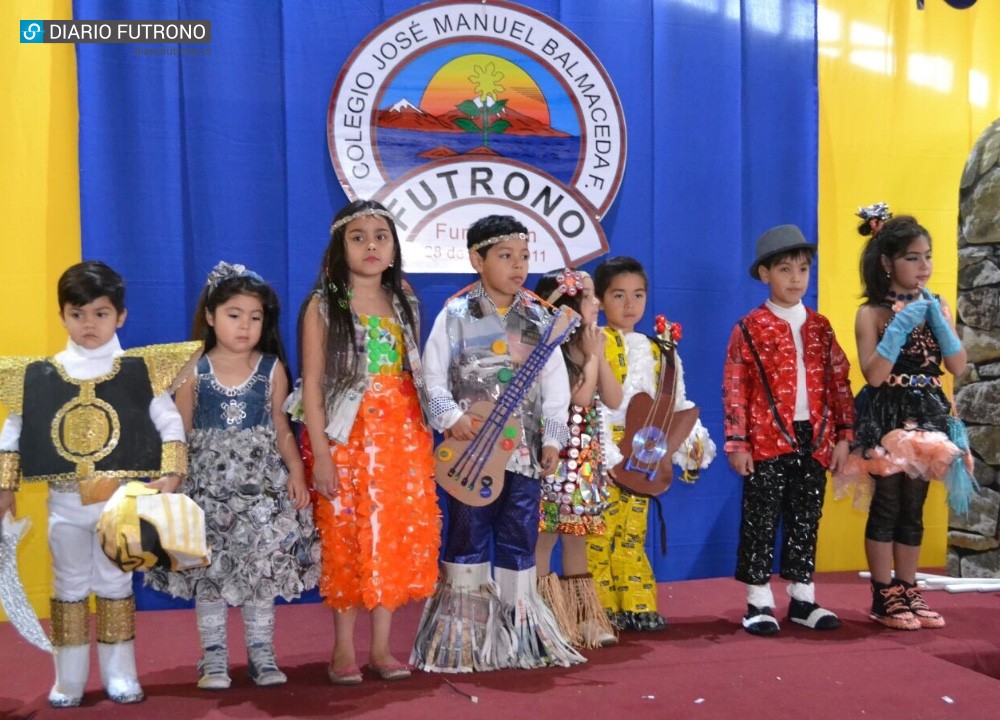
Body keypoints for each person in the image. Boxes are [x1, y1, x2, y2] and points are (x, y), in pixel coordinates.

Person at [0, 261, 196, 706]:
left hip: (120, 502)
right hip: (64, 507)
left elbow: (168, 423)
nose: (89, 324)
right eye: (78, 313)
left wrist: (172, 470)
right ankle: (68, 681)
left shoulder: (138, 372)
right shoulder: (39, 377)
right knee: (67, 589)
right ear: (62, 316)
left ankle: (120, 676)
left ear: (120, 316)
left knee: (115, 586)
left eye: (101, 313)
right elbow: (13, 431)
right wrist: (4, 487)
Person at [411, 215, 584, 672]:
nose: (518, 266)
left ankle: (519, 638)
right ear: (476, 259)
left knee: (519, 539)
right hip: (471, 454)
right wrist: (451, 417)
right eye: (505, 256)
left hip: (524, 456)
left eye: (524, 257)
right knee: (466, 536)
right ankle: (462, 641)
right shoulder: (456, 313)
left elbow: (556, 389)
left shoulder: (542, 317)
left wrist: (553, 439)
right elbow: (431, 378)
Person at [145, 261, 319, 689]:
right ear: (210, 316)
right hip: (206, 490)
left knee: (260, 571)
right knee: (209, 574)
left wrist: (296, 471)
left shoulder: (272, 369)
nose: (245, 326)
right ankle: (214, 657)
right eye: (234, 315)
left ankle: (261, 652)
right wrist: (171, 480)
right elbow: (180, 431)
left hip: (262, 492)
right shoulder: (192, 370)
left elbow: (282, 428)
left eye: (255, 317)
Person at [299, 200, 440, 684]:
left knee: (392, 538)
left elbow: (414, 373)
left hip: (401, 437)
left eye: (382, 235)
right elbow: (313, 385)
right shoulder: (326, 304)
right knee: (348, 539)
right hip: (348, 437)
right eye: (358, 237)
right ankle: (343, 650)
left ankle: (382, 649)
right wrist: (321, 455)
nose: (372, 245)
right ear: (340, 248)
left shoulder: (405, 300)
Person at [723, 225, 854, 636]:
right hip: (764, 440)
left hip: (814, 437)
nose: (796, 279)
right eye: (785, 269)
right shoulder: (750, 327)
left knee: (805, 516)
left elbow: (839, 380)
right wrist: (737, 441)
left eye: (803, 269)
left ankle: (802, 596)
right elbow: (735, 387)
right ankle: (758, 600)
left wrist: (844, 435)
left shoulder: (821, 327)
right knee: (761, 517)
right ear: (765, 274)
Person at [850, 209, 967, 630]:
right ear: (888, 263)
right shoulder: (872, 314)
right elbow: (875, 374)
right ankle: (884, 596)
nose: (924, 266)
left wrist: (938, 320)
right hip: (887, 414)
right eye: (912, 257)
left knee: (914, 507)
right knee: (887, 503)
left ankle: (909, 588)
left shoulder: (939, 305)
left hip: (927, 414)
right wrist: (899, 326)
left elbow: (957, 365)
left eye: (928, 257)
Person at [586, 256, 714, 632]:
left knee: (632, 531)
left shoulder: (662, 351)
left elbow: (678, 403)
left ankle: (637, 602)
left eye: (638, 295)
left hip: (644, 456)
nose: (630, 305)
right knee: (600, 530)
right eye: (619, 295)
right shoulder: (594, 341)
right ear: (601, 299)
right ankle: (601, 604)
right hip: (603, 452)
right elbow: (587, 401)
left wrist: (691, 443)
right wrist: (602, 452)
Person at [533, 268, 622, 648]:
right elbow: (579, 398)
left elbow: (614, 399)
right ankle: (538, 617)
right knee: (544, 537)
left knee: (576, 539)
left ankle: (583, 617)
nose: (597, 303)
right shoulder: (549, 350)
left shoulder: (594, 344)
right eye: (588, 297)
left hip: (583, 464)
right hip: (555, 458)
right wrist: (589, 358)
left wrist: (597, 356)